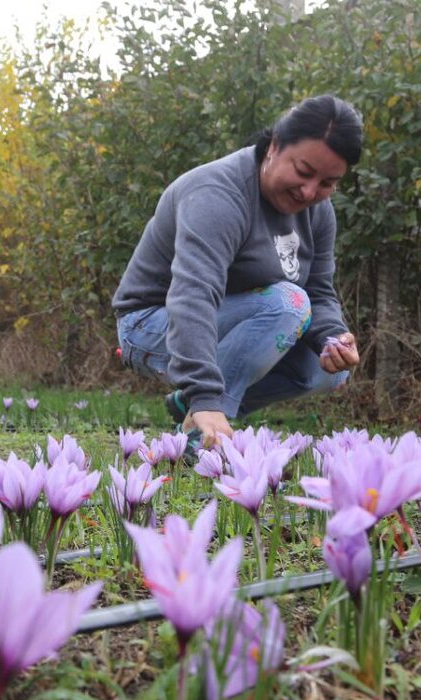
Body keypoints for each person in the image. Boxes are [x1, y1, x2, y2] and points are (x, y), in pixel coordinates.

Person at [112, 95, 363, 448]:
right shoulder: (218, 194)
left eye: (327, 183)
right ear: (274, 146)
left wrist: (333, 337)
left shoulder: (318, 213)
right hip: (152, 324)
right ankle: (201, 432)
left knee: (327, 368)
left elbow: (319, 291)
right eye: (304, 172)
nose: (310, 191)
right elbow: (193, 296)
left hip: (240, 320)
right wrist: (205, 393)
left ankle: (195, 411)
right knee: (289, 303)